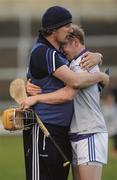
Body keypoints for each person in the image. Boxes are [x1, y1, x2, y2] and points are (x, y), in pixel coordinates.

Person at [21, 6, 109, 180]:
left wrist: (99, 62)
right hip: (44, 129)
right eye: (66, 25)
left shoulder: (60, 55)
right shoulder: (45, 52)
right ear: (53, 29)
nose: (70, 29)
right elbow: (73, 85)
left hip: (65, 132)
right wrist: (101, 75)